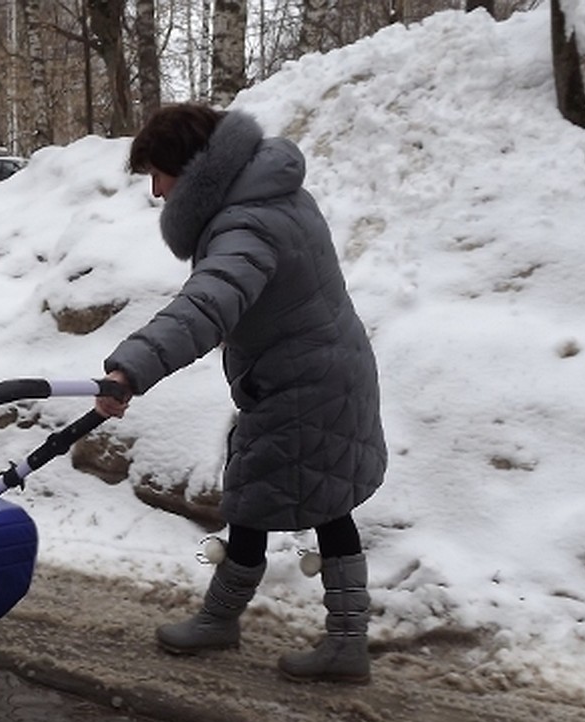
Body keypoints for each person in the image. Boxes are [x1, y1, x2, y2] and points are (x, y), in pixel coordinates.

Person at [95, 103, 387, 684]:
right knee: (290, 500)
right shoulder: (270, 197)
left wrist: (131, 369)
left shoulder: (245, 224)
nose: (156, 192)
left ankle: (294, 635)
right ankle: (255, 625)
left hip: (304, 384)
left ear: (190, 168)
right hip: (317, 373)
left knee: (286, 503)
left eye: (158, 173)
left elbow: (207, 304)